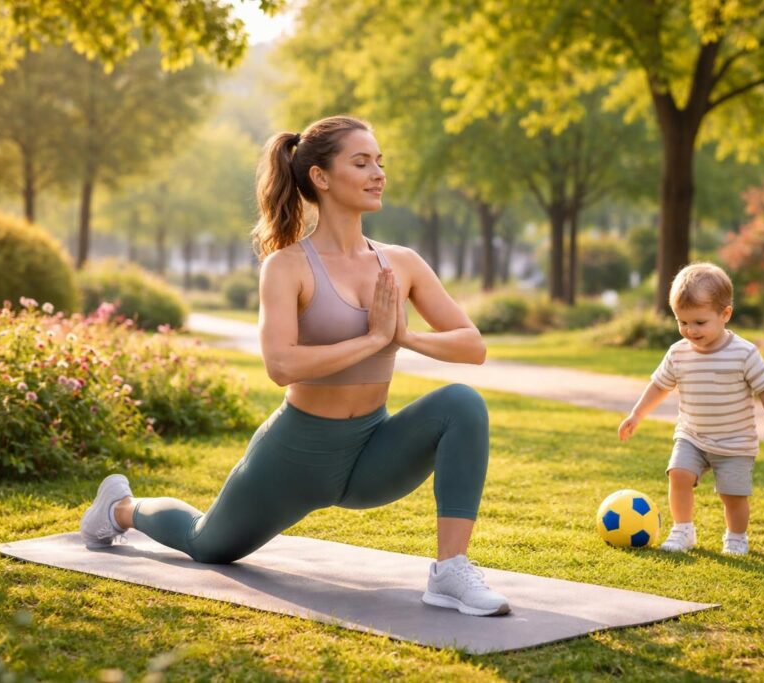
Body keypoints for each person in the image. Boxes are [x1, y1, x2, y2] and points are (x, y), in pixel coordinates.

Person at [79, 115, 509, 616]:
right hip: (294, 456)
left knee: (462, 403)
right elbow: (281, 365)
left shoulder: (402, 263)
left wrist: (404, 336)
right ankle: (119, 507)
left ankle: (450, 571)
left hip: (373, 452)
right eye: (361, 162)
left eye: (380, 162)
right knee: (207, 544)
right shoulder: (286, 266)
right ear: (321, 178)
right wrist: (373, 338)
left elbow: (472, 346)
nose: (378, 173)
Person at [617, 263, 764, 556]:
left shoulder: (743, 353)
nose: (689, 331)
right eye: (681, 322)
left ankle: (736, 537)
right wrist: (637, 414)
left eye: (699, 322)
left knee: (732, 495)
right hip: (692, 436)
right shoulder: (678, 353)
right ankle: (683, 530)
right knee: (678, 475)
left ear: (725, 314)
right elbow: (660, 386)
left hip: (735, 442)